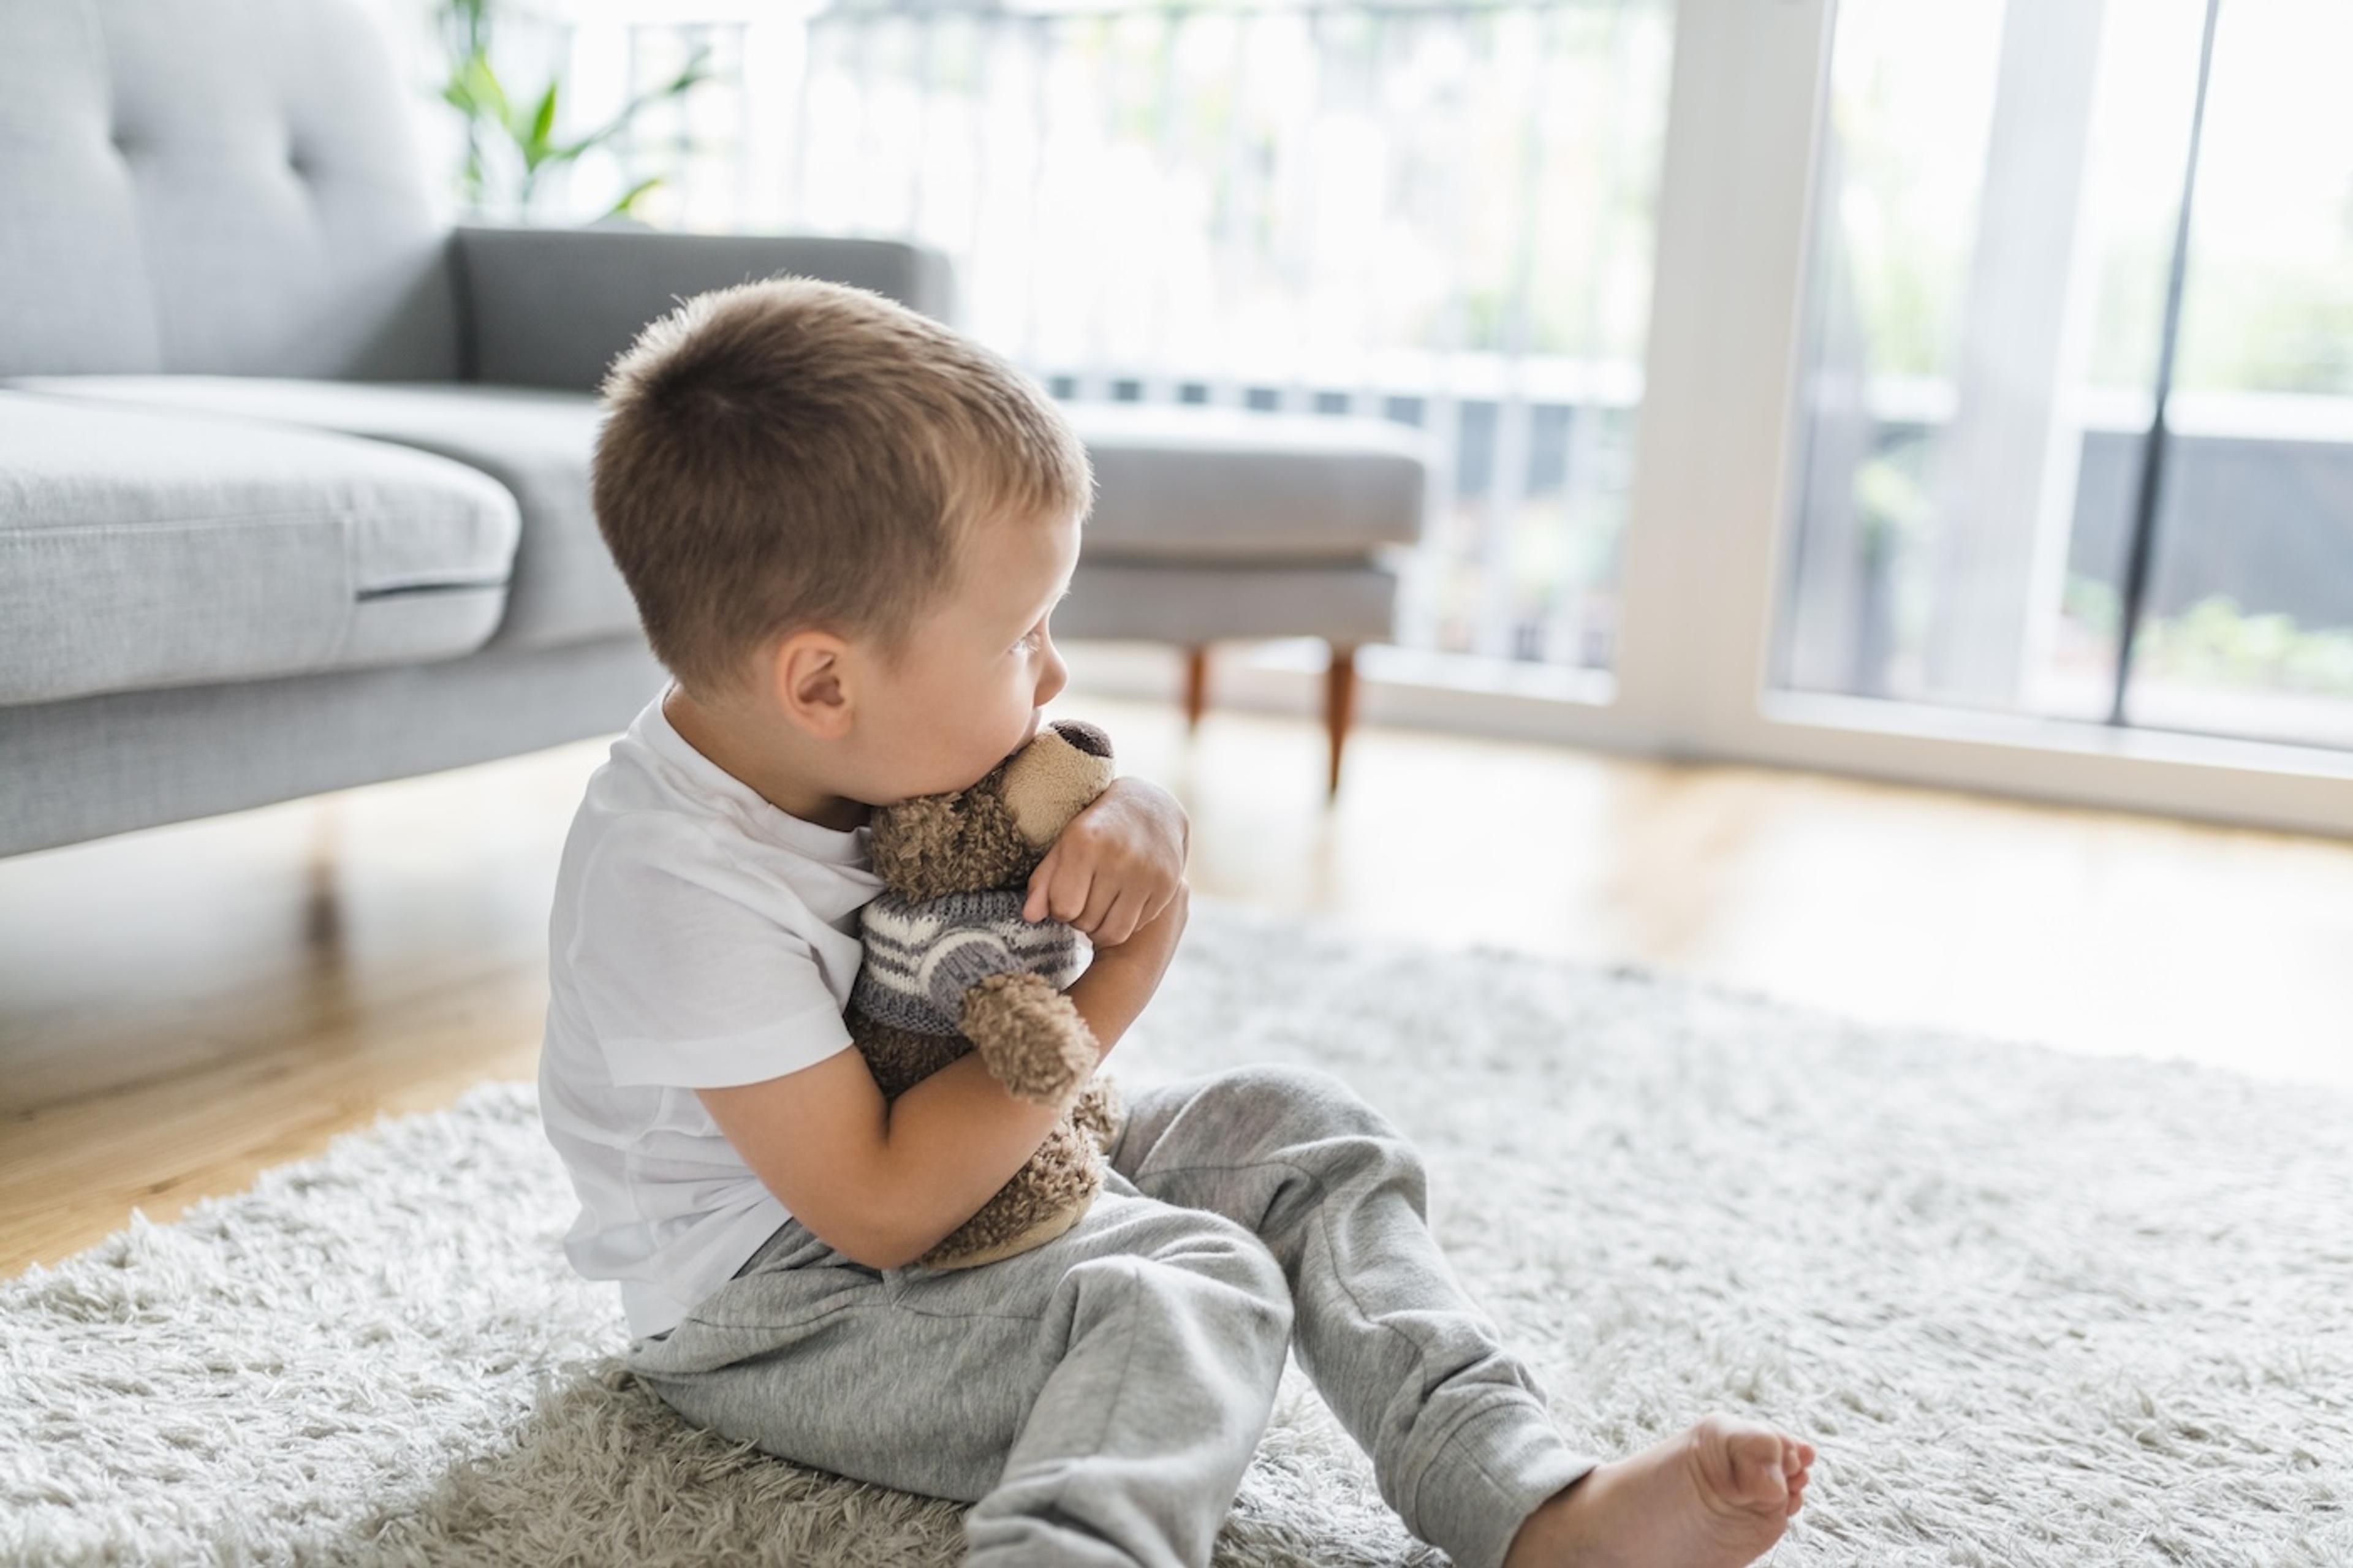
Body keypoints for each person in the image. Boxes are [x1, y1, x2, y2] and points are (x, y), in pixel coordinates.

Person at [536, 275, 1814, 1568]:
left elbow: (1036, 805)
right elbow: (883, 1204)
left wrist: (1136, 811)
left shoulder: (873, 740)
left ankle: (1530, 1500)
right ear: (822, 680)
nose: (1055, 674)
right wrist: (1124, 975)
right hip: (786, 1307)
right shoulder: (672, 881)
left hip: (972, 1158)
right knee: (1186, 1286)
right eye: (1022, 635)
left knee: (1295, 1130)